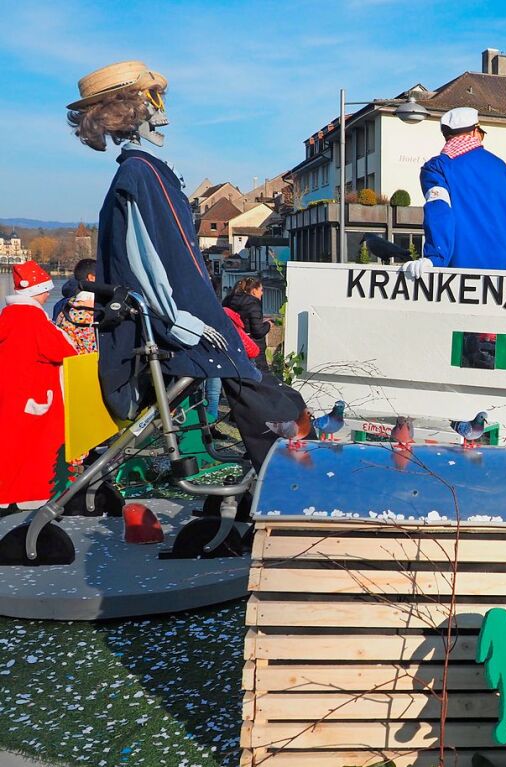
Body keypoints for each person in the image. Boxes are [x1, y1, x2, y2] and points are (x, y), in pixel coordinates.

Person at [68, 60, 308, 466]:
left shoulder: (146, 171)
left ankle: (283, 471)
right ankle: (289, 475)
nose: (163, 107)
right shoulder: (140, 174)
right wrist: (179, 318)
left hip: (191, 313)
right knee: (260, 394)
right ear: (131, 108)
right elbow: (146, 263)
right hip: (181, 318)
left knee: (265, 390)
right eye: (154, 96)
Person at [402, 107, 506, 278]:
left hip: (460, 273)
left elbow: (439, 210)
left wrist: (435, 257)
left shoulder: (437, 168)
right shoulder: (501, 167)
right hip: (503, 272)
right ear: (474, 132)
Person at [0, 261, 78, 509]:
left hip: (10, 395)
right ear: (34, 292)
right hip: (35, 396)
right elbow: (63, 351)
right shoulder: (33, 319)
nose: (48, 294)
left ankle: (5, 496)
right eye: (45, 290)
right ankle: (33, 497)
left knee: (9, 447)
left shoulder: (8, 317)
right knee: (38, 450)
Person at [223, 277, 271, 372]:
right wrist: (268, 324)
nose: (262, 293)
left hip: (233, 346)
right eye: (260, 290)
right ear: (253, 291)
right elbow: (258, 332)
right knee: (260, 379)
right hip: (252, 348)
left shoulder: (228, 301)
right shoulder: (253, 304)